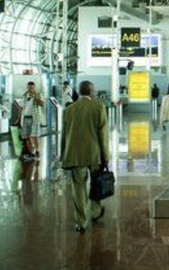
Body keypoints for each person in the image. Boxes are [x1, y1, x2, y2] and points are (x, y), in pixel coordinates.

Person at [61, 81, 110, 233]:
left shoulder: (69, 110)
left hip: (75, 154)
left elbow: (64, 135)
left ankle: (81, 222)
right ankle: (95, 211)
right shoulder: (98, 107)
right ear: (91, 91)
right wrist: (106, 155)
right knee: (96, 183)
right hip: (94, 154)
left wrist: (63, 154)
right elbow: (103, 134)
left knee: (78, 188)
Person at [21, 82, 45, 160]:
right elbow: (22, 107)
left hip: (34, 118)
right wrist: (19, 118)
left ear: (34, 88)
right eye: (29, 88)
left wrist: (35, 97)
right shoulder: (25, 95)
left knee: (34, 135)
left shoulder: (38, 95)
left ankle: (37, 151)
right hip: (26, 117)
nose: (30, 89)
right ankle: (32, 152)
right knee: (27, 136)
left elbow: (42, 104)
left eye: (32, 88)